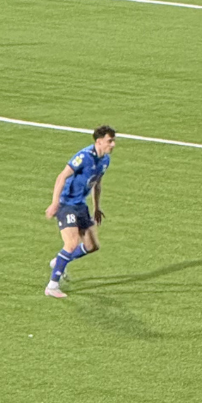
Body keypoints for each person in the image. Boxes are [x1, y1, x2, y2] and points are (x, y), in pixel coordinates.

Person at [44, 126, 117, 298]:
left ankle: (60, 261)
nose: (113, 145)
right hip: (66, 204)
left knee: (92, 246)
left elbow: (97, 184)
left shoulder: (105, 160)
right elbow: (62, 177)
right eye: (110, 141)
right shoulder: (83, 157)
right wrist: (55, 203)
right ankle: (52, 286)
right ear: (99, 141)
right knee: (71, 243)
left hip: (81, 206)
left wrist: (97, 207)